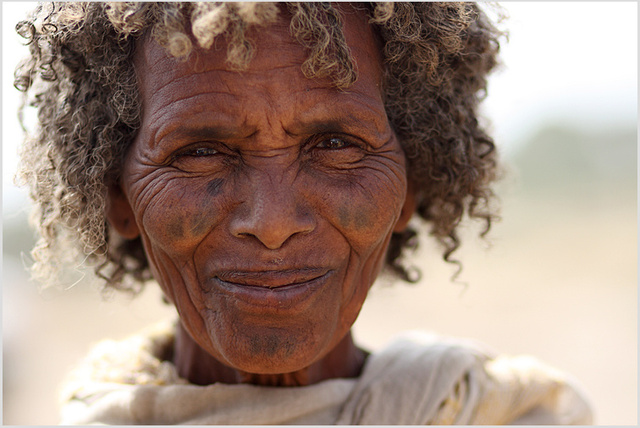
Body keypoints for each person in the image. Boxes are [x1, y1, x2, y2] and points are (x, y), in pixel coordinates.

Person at [14, 2, 592, 424]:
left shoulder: (498, 415)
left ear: (411, 183)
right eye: (201, 152)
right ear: (119, 196)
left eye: (336, 145)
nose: (271, 223)